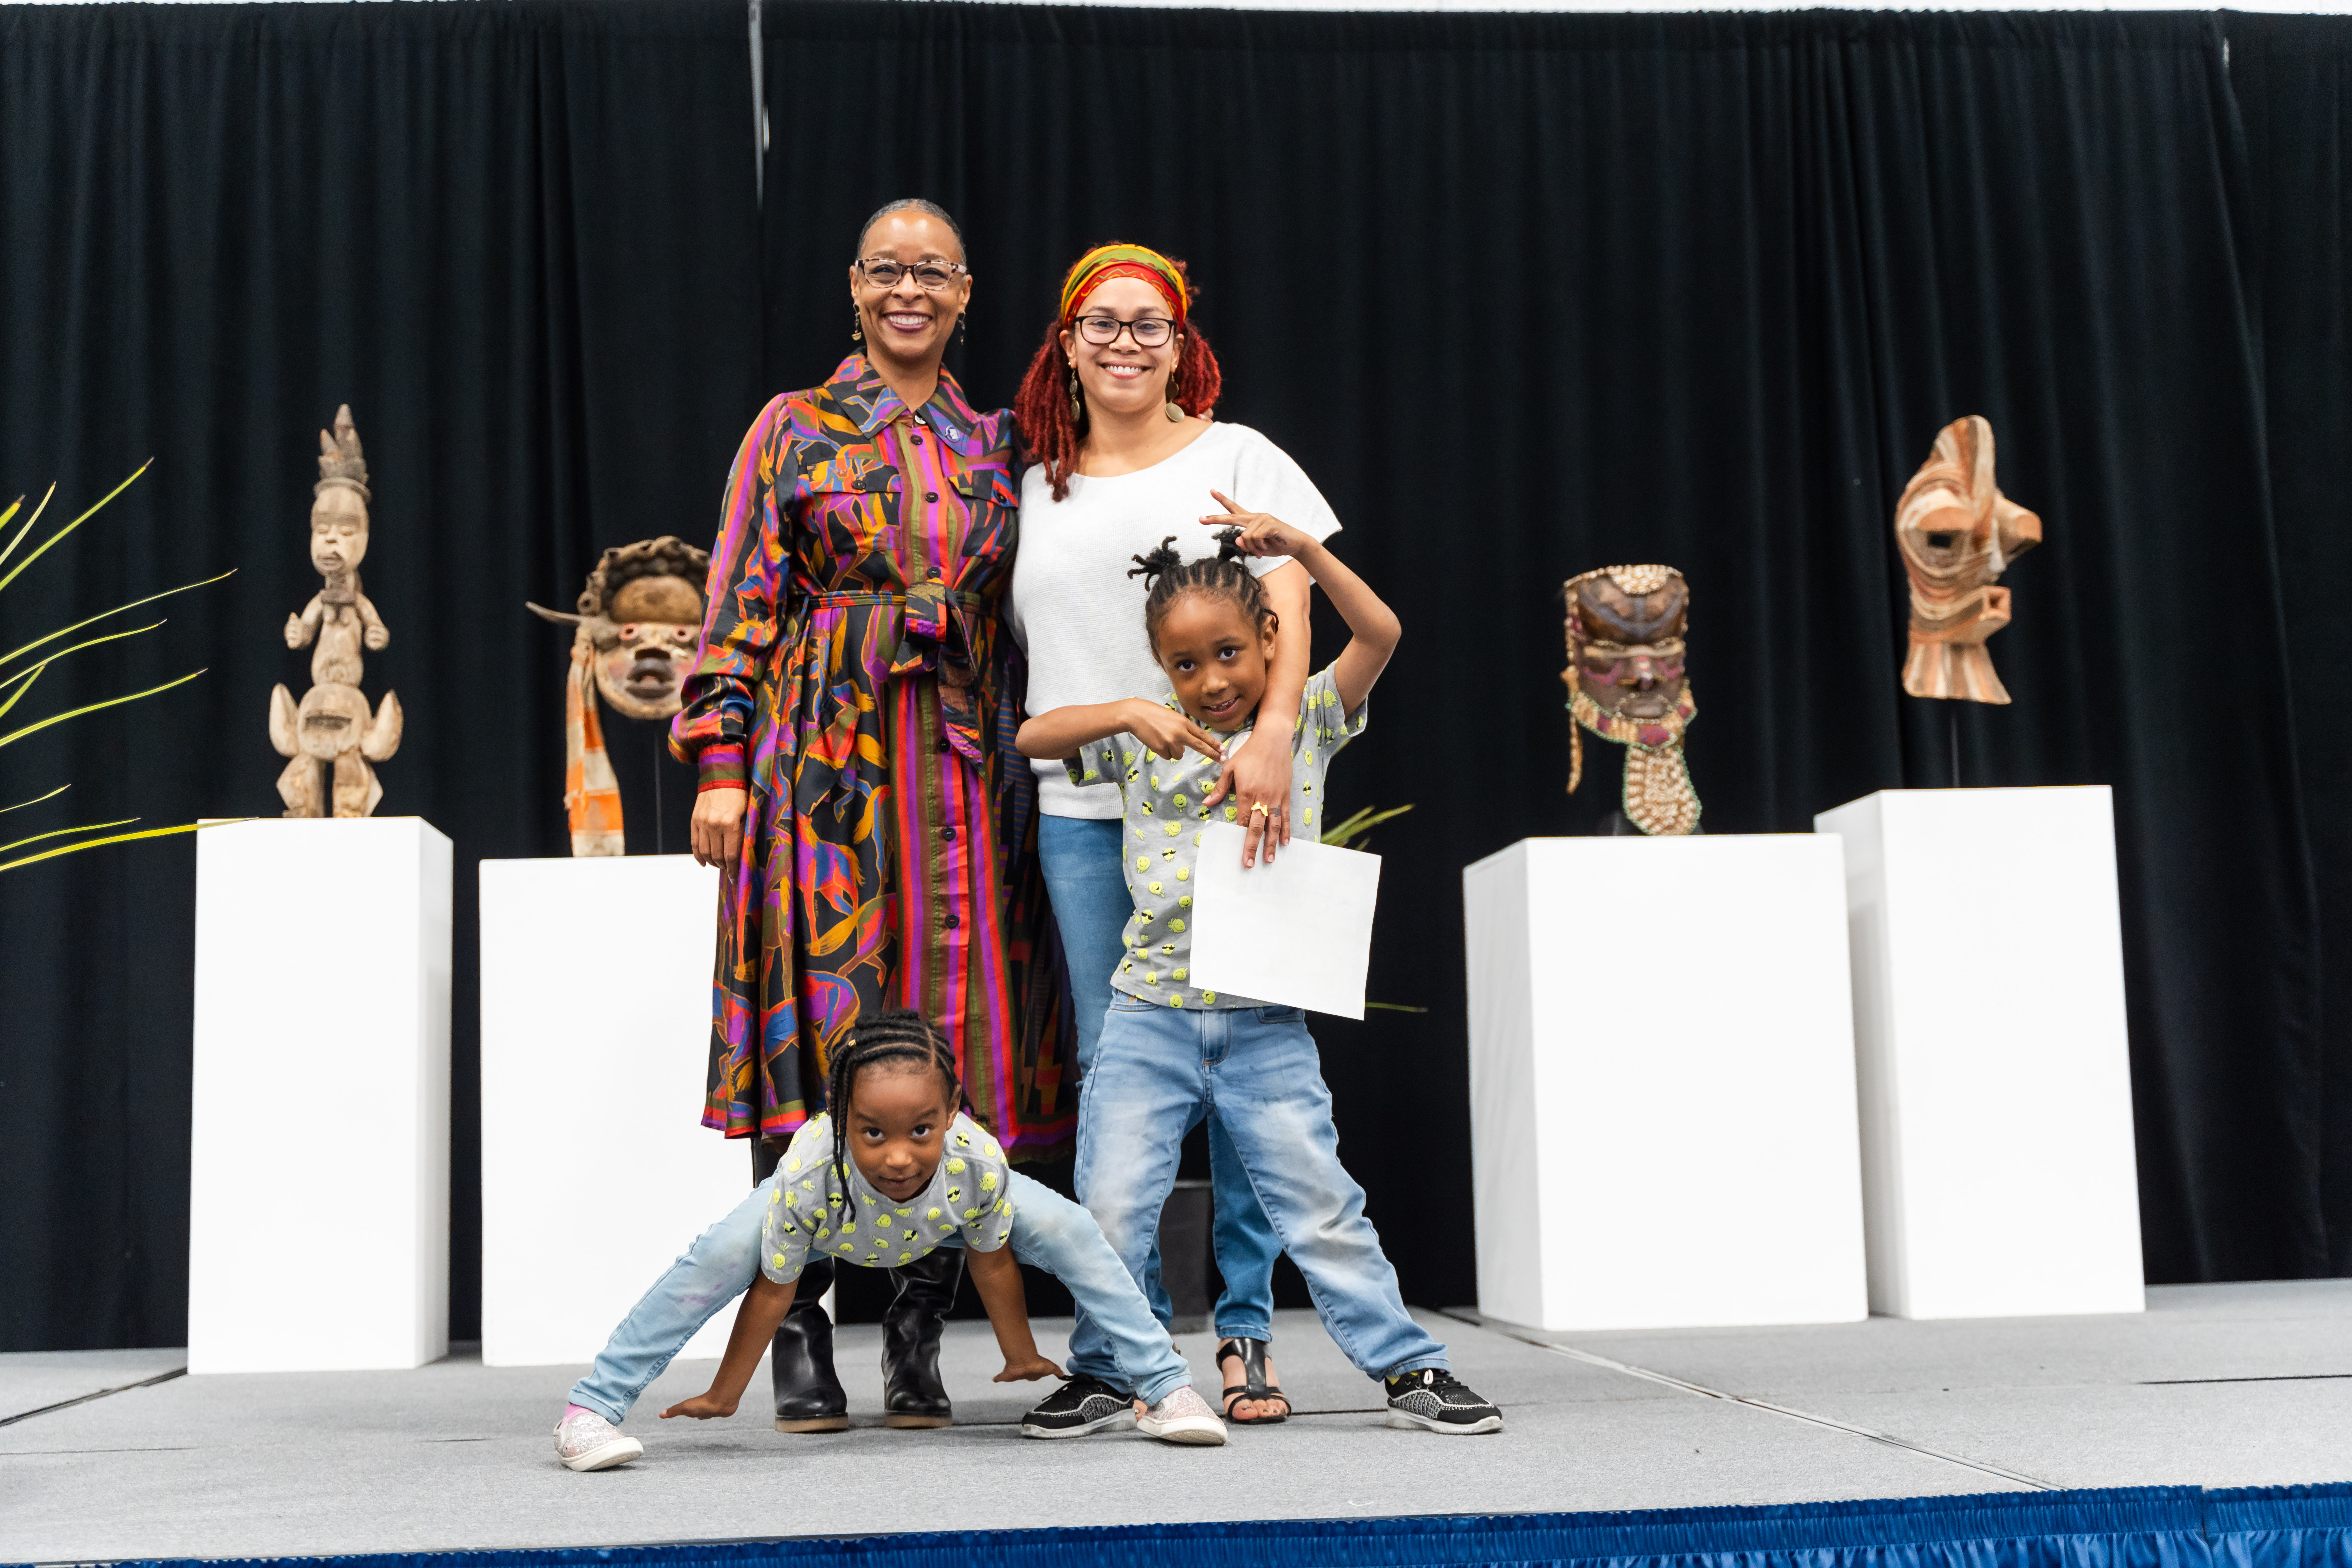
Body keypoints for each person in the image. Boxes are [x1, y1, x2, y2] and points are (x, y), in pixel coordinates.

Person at [669, 199, 1066, 1435]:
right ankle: (798, 1334)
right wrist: (720, 760)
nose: (909, 289)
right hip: (824, 771)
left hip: (961, 776)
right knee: (817, 1026)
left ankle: (914, 1338)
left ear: (964, 294)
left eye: (932, 273)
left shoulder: (1002, 441)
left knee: (949, 1041)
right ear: (853, 286)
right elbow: (736, 595)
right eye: (888, 270)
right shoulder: (792, 426)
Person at [1013, 521, 1506, 1436]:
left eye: (1231, 653)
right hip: (1149, 1015)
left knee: (1321, 1204)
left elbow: (1383, 634)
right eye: (1186, 664)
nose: (1212, 681)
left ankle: (1410, 1367)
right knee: (1114, 1203)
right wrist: (1127, 710)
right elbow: (1036, 734)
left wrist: (1308, 559)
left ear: (1271, 641)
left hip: (1265, 1022)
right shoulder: (1145, 739)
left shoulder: (1308, 721)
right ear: (1163, 668)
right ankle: (1108, 1371)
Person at [1009, 242, 1332, 1423]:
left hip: (1233, 804)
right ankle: (1128, 1347)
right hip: (1087, 817)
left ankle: (1244, 1335)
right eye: (1101, 324)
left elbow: (1294, 598)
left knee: (1252, 1076)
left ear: (1180, 337)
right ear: (1066, 339)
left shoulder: (1236, 455)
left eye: (1147, 323)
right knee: (1117, 1082)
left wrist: (1276, 735)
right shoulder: (1035, 478)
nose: (1124, 343)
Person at [552, 1011, 1224, 1471]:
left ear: (952, 1110)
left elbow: (992, 1262)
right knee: (715, 1254)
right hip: (832, 1221)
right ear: (840, 1118)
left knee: (1071, 1226)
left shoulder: (973, 1161)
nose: (900, 1156)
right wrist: (727, 1391)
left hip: (941, 1215)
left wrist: (1019, 1352)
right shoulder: (812, 1170)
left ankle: (1167, 1387)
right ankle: (591, 1408)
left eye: (921, 1131)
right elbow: (771, 1290)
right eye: (874, 1132)